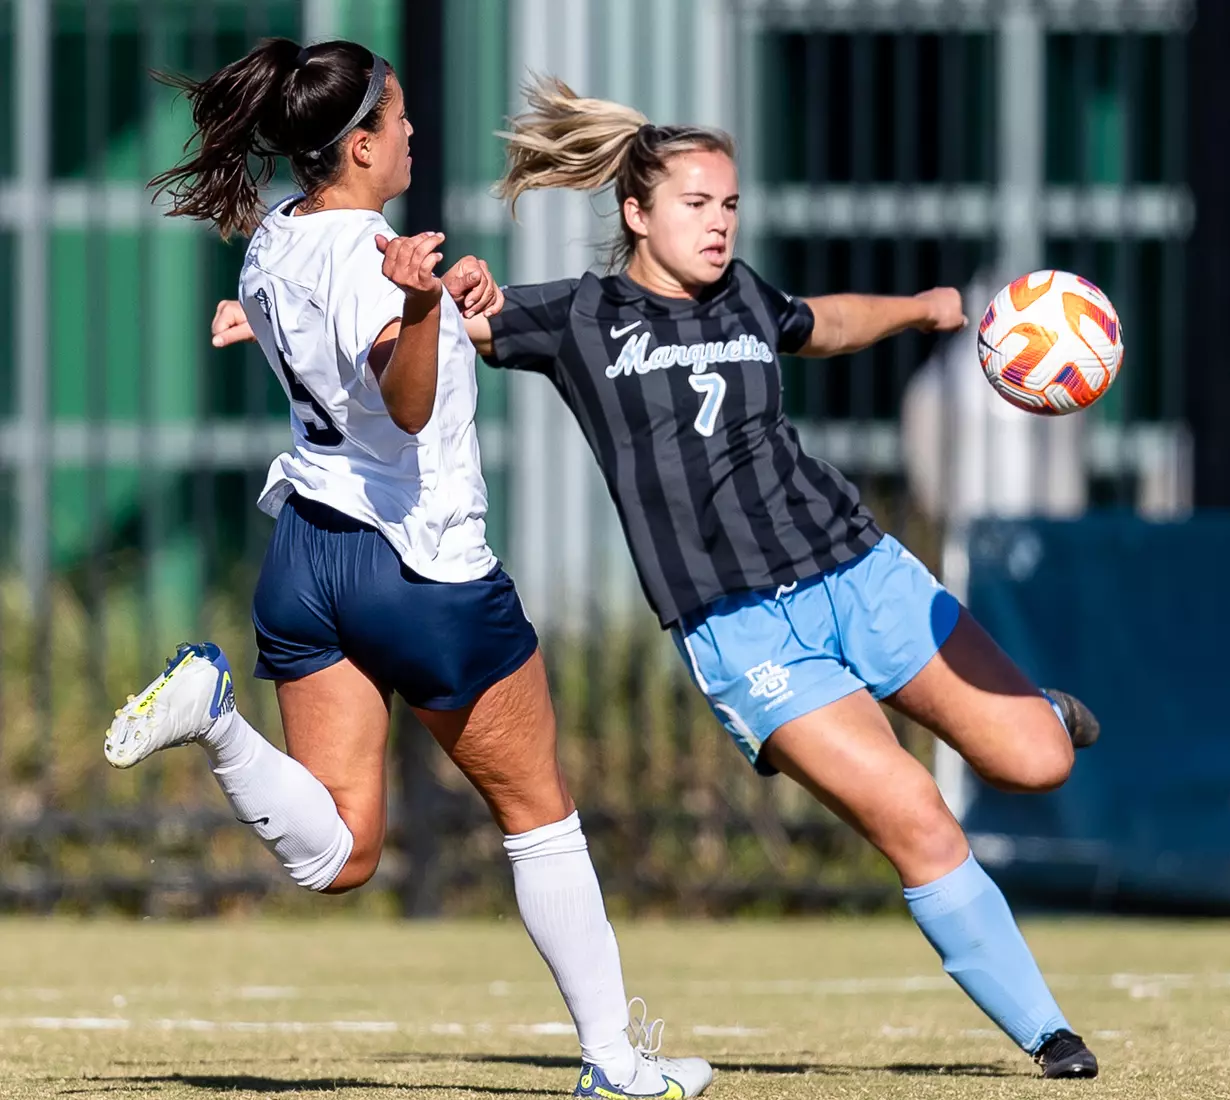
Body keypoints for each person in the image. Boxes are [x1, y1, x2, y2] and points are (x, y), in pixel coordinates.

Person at [211, 75, 1102, 1080]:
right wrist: (285, 326)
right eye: (696, 204)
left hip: (861, 568)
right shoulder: (578, 318)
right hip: (743, 631)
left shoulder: (746, 296)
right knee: (915, 815)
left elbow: (822, 319)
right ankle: (1049, 1034)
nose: (718, 225)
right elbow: (413, 343)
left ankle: (1048, 715)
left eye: (729, 206)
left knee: (1036, 762)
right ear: (635, 211)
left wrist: (924, 308)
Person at [114, 43, 710, 1100]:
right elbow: (398, 396)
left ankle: (215, 713)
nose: (413, 133)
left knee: (338, 854)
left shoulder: (276, 238)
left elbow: (316, 328)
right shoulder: (370, 255)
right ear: (357, 146)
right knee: (540, 815)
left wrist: (444, 293)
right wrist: (426, 306)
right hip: (420, 569)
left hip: (305, 554)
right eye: (397, 120)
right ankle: (614, 1061)